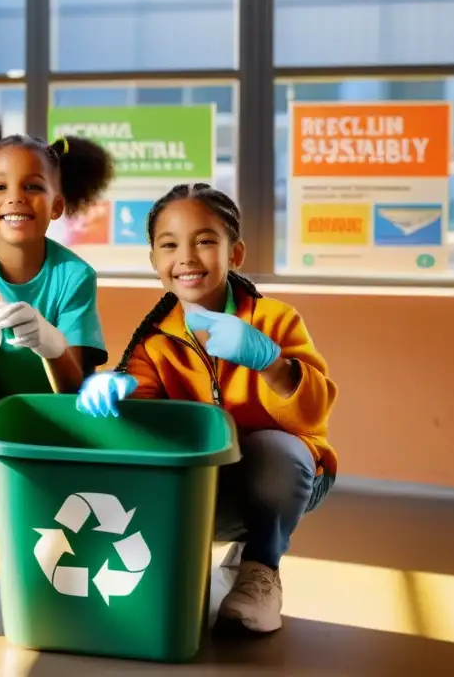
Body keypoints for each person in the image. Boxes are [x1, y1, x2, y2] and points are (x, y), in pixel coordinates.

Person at [76, 183, 337, 634]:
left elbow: (312, 415)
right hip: (202, 487)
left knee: (276, 451)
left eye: (205, 241)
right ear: (155, 261)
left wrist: (271, 362)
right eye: (169, 244)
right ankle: (221, 552)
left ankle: (261, 567)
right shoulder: (154, 342)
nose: (187, 257)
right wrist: (117, 393)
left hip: (285, 479)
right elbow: (145, 431)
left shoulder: (275, 320)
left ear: (235, 253)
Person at [0, 110, 113, 397]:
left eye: (33, 186)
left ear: (56, 206)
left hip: (54, 427)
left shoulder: (75, 275)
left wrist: (52, 346)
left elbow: (72, 390)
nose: (15, 197)